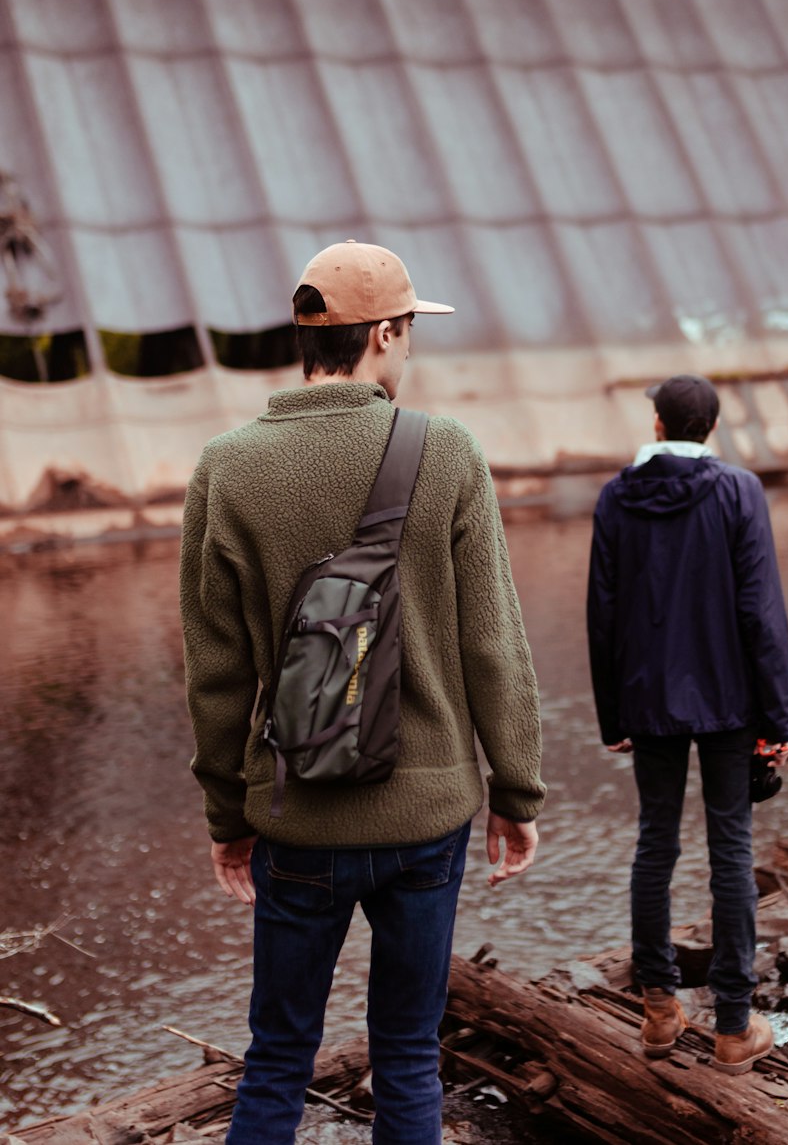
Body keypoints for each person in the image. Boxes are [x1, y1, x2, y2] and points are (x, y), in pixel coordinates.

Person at [180, 239, 545, 1145]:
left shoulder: (226, 468)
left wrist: (229, 818)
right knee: (411, 1054)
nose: (411, 347)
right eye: (411, 330)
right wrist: (517, 792)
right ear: (381, 333)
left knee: (276, 1058)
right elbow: (494, 644)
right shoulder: (447, 451)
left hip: (297, 815)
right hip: (426, 819)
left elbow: (216, 674)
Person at [586, 373, 788, 1075]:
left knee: (655, 844)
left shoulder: (617, 497)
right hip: (732, 700)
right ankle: (734, 1026)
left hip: (648, 700)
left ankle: (658, 1012)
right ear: (711, 427)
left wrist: (612, 711)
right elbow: (760, 610)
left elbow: (603, 611)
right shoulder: (739, 492)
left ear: (657, 424)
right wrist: (779, 716)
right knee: (730, 850)